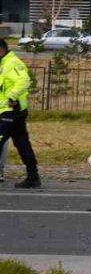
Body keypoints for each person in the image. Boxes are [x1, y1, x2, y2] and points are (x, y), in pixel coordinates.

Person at [0, 39, 40, 189]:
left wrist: (12, 97)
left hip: (11, 112)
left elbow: (24, 80)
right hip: (9, 112)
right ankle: (33, 176)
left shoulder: (12, 63)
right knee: (22, 143)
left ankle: (33, 176)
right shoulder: (4, 64)